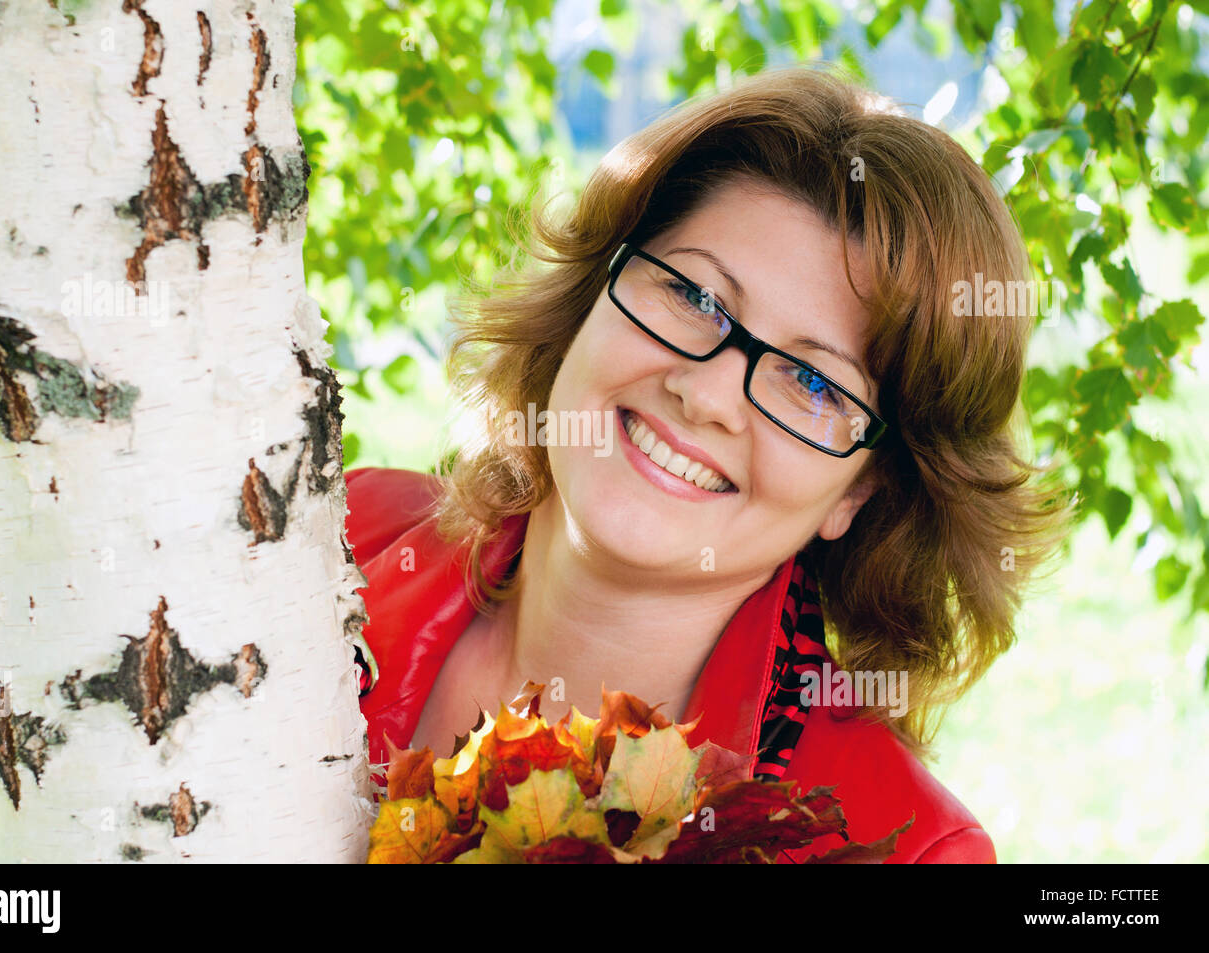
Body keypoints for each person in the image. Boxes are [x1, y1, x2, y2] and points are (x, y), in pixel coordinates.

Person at [343, 66, 1071, 863]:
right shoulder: (332, 537)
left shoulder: (903, 849)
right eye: (695, 296)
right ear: (595, 285)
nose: (709, 395)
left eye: (814, 382)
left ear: (862, 489)